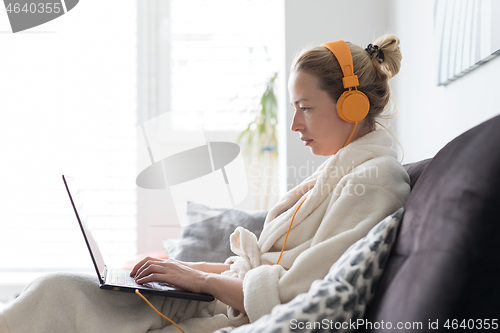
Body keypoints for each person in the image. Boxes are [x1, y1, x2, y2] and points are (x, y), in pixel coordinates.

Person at [0, 34, 410, 333]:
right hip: (221, 299)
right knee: (58, 290)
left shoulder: (375, 181)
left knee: (58, 296)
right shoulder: (340, 172)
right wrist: (183, 269)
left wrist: (200, 280)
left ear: (351, 105)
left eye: (305, 108)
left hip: (231, 313)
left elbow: (290, 292)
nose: (294, 124)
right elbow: (265, 268)